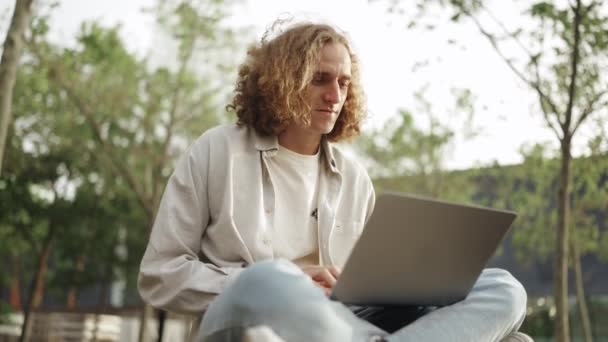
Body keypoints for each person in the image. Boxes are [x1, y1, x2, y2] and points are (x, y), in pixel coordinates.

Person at [138, 20, 531, 342]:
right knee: (268, 278)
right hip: (259, 312)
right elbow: (159, 277)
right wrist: (290, 278)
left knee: (503, 288)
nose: (334, 95)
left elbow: (371, 287)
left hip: (346, 320)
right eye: (320, 79)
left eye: (343, 83)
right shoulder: (216, 150)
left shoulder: (356, 178)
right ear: (281, 81)